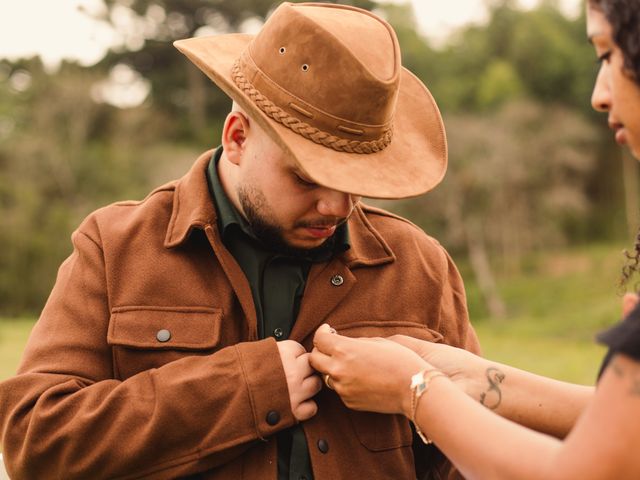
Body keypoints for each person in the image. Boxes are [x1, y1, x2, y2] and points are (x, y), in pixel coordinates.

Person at [0, 2, 480, 479]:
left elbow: (478, 457)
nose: (337, 207)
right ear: (236, 137)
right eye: (307, 177)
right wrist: (246, 390)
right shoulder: (114, 247)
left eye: (355, 180)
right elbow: (33, 444)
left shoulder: (420, 265)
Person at [310, 0, 640, 478]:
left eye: (607, 55)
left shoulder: (419, 261)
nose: (599, 94)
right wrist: (474, 378)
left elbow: (589, 471)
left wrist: (415, 390)